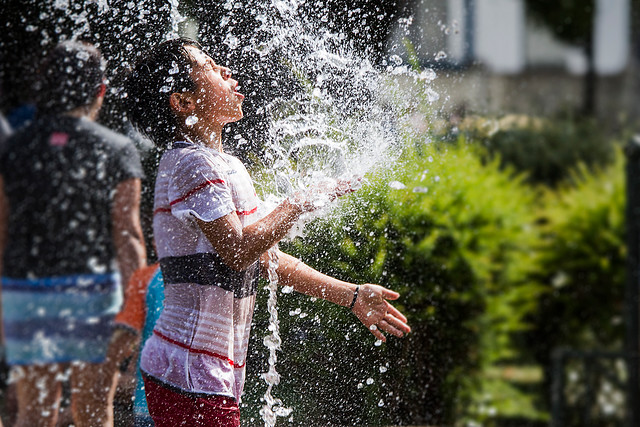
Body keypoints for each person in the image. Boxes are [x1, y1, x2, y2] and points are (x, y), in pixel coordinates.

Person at [124, 38, 411, 427]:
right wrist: (298, 203)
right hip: (189, 373)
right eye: (209, 66)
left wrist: (353, 295)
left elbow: (265, 258)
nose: (225, 70)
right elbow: (238, 251)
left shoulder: (225, 166)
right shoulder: (191, 163)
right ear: (183, 102)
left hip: (206, 373)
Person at [0, 40, 146, 427]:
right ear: (100, 90)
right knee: (95, 412)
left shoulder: (14, 148)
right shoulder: (116, 149)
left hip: (25, 294)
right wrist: (137, 306)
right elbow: (128, 235)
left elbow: (3, 228)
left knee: (34, 412)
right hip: (93, 295)